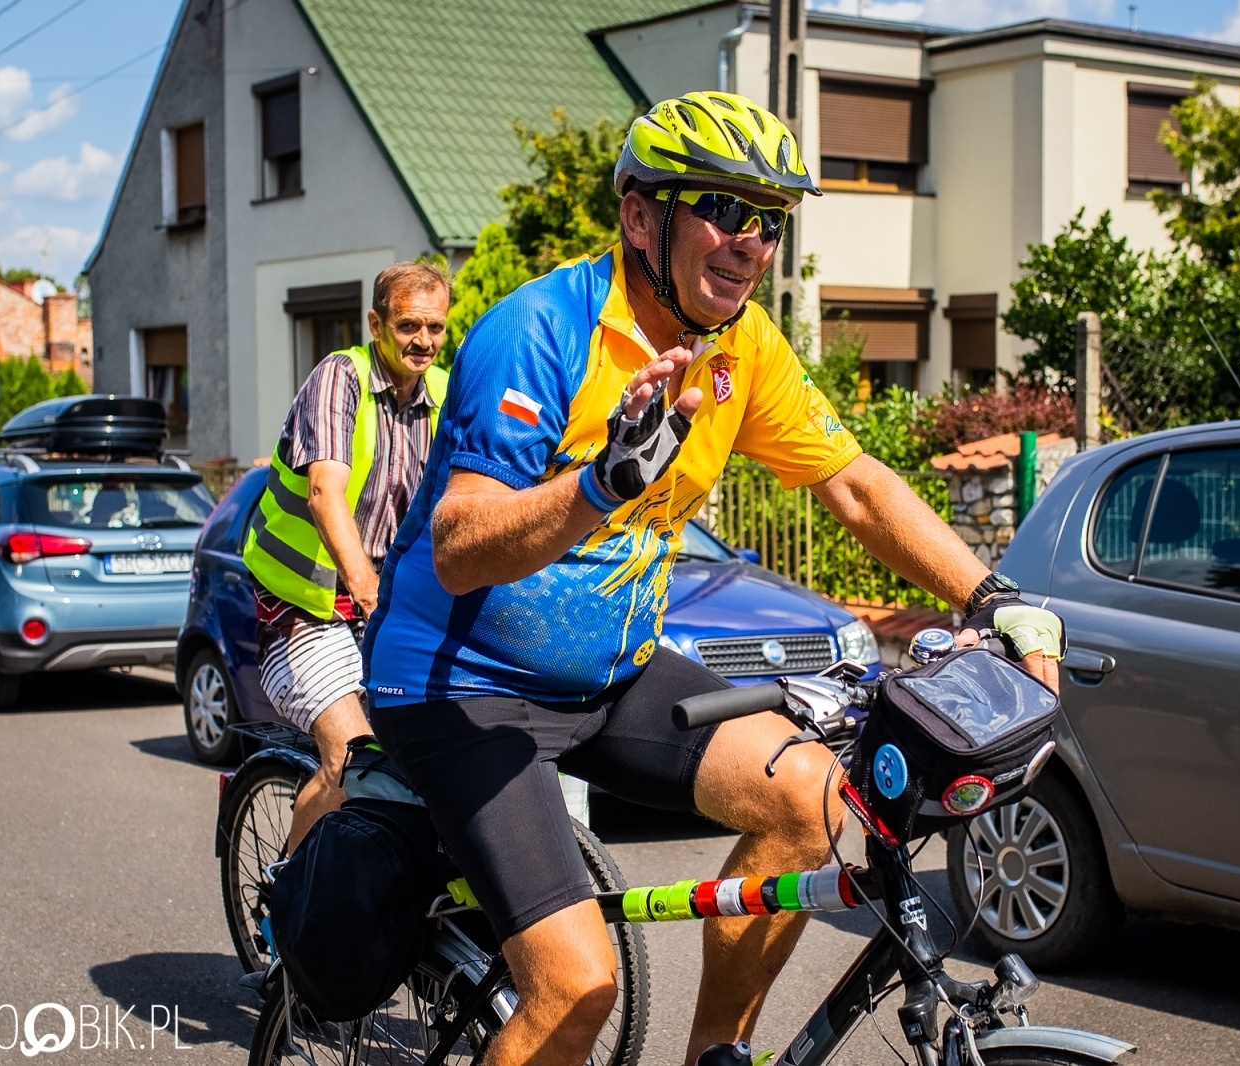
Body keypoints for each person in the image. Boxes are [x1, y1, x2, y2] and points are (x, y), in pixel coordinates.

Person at [363, 92, 1064, 1066]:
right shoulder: (537, 333)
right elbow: (460, 546)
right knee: (575, 987)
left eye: (768, 222)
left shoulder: (743, 347)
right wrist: (603, 482)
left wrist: (995, 599)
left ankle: (715, 1056)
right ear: (641, 215)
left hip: (610, 671)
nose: (749, 244)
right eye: (724, 211)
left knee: (815, 802)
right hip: (463, 687)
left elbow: (855, 486)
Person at [243, 261, 449, 852]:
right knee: (354, 757)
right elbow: (324, 493)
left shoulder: (440, 393)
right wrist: (364, 585)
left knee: (448, 748)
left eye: (436, 327)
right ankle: (289, 900)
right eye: (409, 325)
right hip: (304, 608)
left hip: (389, 610)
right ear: (376, 323)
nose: (424, 342)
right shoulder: (341, 378)